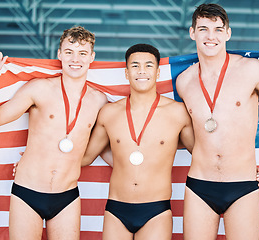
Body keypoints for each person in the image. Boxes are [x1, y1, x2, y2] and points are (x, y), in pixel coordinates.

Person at [176, 3, 259, 240]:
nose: (211, 36)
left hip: (242, 185)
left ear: (228, 33)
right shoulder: (184, 81)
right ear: (192, 32)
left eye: (218, 29)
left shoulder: (251, 70)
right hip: (199, 185)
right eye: (204, 29)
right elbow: (191, 134)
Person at [0, 26, 107, 239]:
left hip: (67, 196)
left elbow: (92, 151)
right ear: (59, 54)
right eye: (69, 52)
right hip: (27, 193)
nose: (75, 59)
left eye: (82, 53)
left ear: (91, 57)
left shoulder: (99, 100)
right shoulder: (38, 88)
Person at [81, 43, 194, 240]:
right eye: (135, 65)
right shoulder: (109, 113)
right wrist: (40, 160)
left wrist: (242, 171)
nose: (142, 71)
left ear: (158, 72)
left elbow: (204, 156)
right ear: (126, 72)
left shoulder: (177, 113)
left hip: (156, 210)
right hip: (116, 209)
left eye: (149, 65)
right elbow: (85, 157)